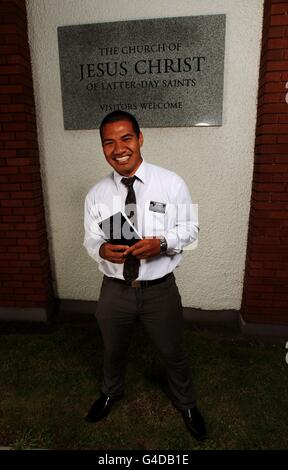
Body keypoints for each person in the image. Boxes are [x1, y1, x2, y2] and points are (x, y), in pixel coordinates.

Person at [83, 110, 206, 441]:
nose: (118, 148)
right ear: (103, 148)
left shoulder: (171, 182)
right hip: (115, 290)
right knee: (112, 349)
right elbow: (90, 237)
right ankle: (111, 393)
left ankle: (187, 402)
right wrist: (100, 249)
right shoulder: (96, 194)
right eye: (108, 142)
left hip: (159, 290)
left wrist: (163, 244)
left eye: (125, 138)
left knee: (172, 351)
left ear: (140, 139)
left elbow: (191, 231)